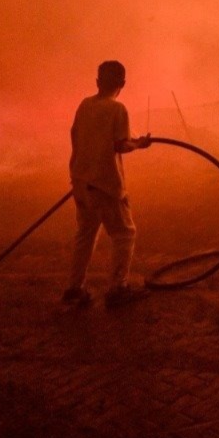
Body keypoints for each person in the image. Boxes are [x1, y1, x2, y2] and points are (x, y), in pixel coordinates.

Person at [64, 60, 152, 309]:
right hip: (105, 184)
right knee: (125, 233)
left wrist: (133, 141)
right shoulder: (118, 109)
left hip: (81, 181)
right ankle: (118, 288)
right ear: (122, 84)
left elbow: (78, 136)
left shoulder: (85, 105)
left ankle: (74, 288)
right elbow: (120, 145)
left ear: (97, 82)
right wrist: (138, 144)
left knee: (85, 234)